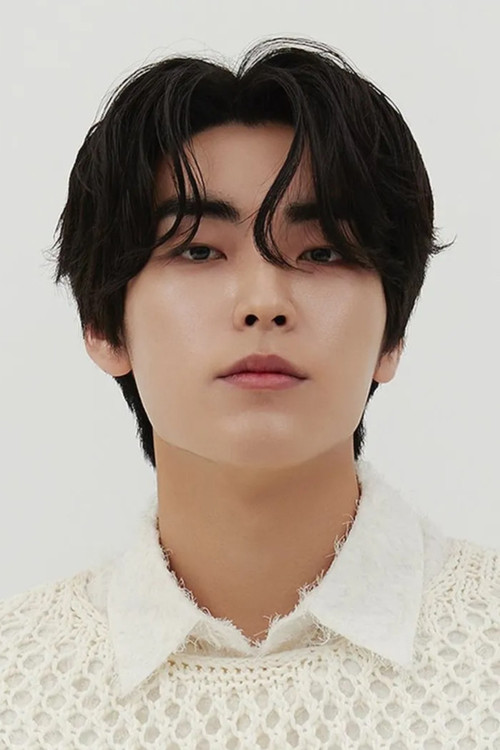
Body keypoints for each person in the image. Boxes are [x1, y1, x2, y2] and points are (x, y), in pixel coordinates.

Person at [1, 35, 498, 749]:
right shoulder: (16, 684)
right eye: (198, 249)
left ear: (392, 335)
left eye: (321, 251)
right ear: (105, 326)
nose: (264, 303)